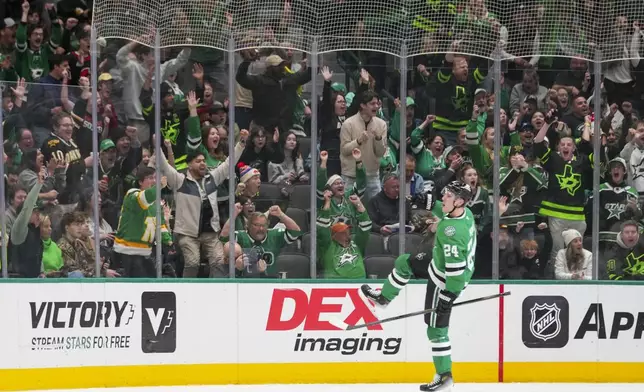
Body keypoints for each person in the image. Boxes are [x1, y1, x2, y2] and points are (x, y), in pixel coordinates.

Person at [361, 180, 476, 391]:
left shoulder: (452, 233)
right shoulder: (463, 214)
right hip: (439, 262)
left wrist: (448, 297)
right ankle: (384, 297)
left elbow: (456, 272)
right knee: (404, 261)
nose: (444, 199)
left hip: (445, 280)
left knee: (436, 331)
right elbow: (446, 215)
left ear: (459, 201)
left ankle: (444, 375)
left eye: (448, 196)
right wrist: (430, 204)